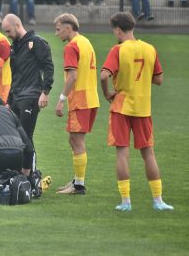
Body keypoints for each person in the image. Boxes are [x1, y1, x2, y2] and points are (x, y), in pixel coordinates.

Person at [100, 12, 174, 211]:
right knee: (148, 154)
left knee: (122, 154)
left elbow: (104, 75)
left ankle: (126, 202)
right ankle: (158, 200)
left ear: (117, 29)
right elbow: (159, 79)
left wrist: (107, 94)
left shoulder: (118, 50)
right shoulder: (150, 49)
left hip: (121, 107)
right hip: (143, 108)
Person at [53, 13, 100, 195]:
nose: (57, 34)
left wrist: (61, 100)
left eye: (58, 30)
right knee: (74, 140)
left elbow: (73, 76)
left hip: (80, 100)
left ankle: (79, 186)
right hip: (90, 97)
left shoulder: (71, 47)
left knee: (77, 141)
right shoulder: (85, 42)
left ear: (68, 27)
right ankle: (76, 180)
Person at [1, 14, 54, 146]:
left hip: (30, 96)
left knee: (25, 137)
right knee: (13, 137)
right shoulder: (15, 47)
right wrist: (9, 101)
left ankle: (30, 167)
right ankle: (17, 167)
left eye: (8, 31)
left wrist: (45, 92)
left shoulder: (37, 42)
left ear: (17, 26)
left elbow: (48, 67)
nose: (7, 34)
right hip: (16, 97)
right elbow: (15, 76)